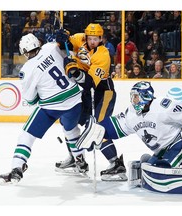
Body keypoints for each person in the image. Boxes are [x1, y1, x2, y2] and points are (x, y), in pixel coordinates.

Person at [76, 81, 182, 197]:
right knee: (148, 169)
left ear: (146, 96)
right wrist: (98, 130)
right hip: (163, 151)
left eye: (136, 97)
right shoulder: (131, 114)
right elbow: (115, 126)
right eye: (132, 97)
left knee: (159, 174)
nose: (133, 100)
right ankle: (163, 166)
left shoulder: (163, 106)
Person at [0, 33, 83, 184]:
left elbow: (30, 100)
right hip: (75, 100)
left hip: (52, 106)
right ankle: (81, 162)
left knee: (26, 135)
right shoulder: (50, 47)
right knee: (71, 130)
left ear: (24, 51)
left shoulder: (27, 69)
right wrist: (65, 39)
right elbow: (68, 49)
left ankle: (17, 169)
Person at [55, 23, 127, 181]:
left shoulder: (103, 55)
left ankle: (116, 164)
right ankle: (76, 158)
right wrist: (61, 38)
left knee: (97, 128)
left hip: (103, 93)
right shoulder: (81, 39)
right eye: (90, 38)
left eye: (96, 39)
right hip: (88, 94)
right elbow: (67, 43)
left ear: (101, 39)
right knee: (69, 119)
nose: (93, 41)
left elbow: (89, 83)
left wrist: (74, 70)